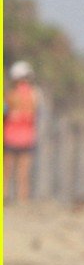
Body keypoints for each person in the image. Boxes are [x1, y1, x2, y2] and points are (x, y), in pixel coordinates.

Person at [3, 61, 39, 203]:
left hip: (10, 136)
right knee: (23, 172)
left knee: (7, 169)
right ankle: (22, 199)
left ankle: (4, 196)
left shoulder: (11, 94)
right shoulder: (35, 94)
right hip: (27, 137)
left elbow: (5, 112)